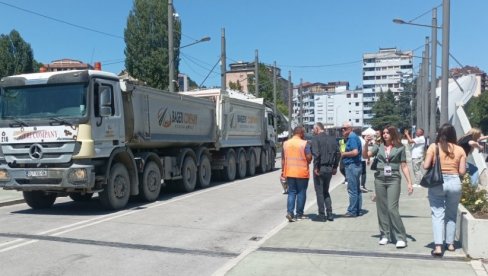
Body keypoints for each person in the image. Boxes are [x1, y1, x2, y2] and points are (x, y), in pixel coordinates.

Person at [363, 125, 414, 248]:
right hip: (380, 178)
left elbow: (404, 166)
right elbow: (366, 156)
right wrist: (365, 144)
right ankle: (385, 235)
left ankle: (400, 237)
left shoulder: (400, 147)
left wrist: (409, 182)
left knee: (392, 208)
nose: (385, 135)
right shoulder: (379, 146)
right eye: (384, 133)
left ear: (393, 134)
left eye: (387, 133)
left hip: (394, 178)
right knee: (381, 208)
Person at [424, 123, 466, 256]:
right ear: (453, 135)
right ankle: (451, 244)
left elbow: (426, 166)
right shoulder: (460, 150)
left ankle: (438, 246)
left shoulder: (434, 147)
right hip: (454, 182)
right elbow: (462, 171)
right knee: (451, 214)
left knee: (437, 214)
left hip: (437, 183)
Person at [282, 126, 312, 222]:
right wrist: (309, 159)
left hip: (289, 172)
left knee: (291, 192)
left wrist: (283, 172)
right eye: (304, 133)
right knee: (301, 193)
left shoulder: (285, 144)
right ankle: (299, 214)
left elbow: (283, 159)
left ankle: (290, 213)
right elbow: (309, 157)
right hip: (301, 172)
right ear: (301, 133)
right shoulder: (304, 143)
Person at [311, 122, 340, 222]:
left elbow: (316, 154)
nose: (313, 131)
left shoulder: (316, 139)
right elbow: (338, 153)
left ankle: (321, 215)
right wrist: (335, 166)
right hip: (329, 168)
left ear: (317, 129)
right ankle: (330, 213)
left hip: (320, 168)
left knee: (319, 192)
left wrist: (315, 167)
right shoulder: (332, 139)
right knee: (326, 191)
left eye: (313, 129)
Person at [341, 122, 362, 217]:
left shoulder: (352, 137)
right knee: (356, 189)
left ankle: (352, 210)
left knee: (352, 189)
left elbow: (355, 152)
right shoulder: (350, 137)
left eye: (345, 128)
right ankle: (357, 209)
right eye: (342, 128)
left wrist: (344, 154)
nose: (343, 130)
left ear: (350, 128)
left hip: (352, 165)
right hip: (355, 165)